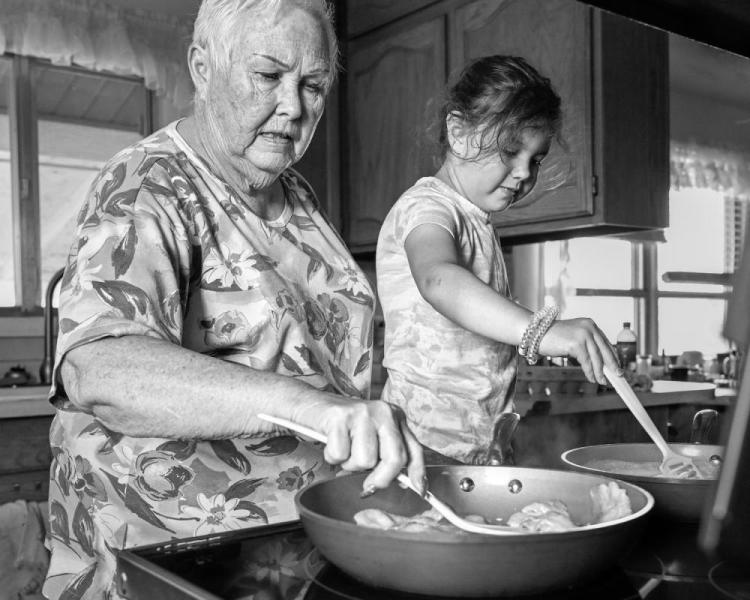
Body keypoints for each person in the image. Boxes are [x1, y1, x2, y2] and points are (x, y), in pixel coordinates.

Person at [44, 1, 425, 598]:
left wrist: (367, 425)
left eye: (313, 84)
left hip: (282, 555)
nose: (294, 107)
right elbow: (101, 367)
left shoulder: (292, 192)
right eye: (268, 75)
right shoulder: (148, 182)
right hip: (162, 562)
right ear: (203, 67)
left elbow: (315, 364)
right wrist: (312, 408)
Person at [376, 55, 622, 465]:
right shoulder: (427, 207)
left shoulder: (479, 222)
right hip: (421, 447)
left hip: (479, 449)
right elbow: (439, 280)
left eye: (536, 159)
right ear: (458, 132)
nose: (524, 173)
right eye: (511, 151)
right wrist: (542, 332)